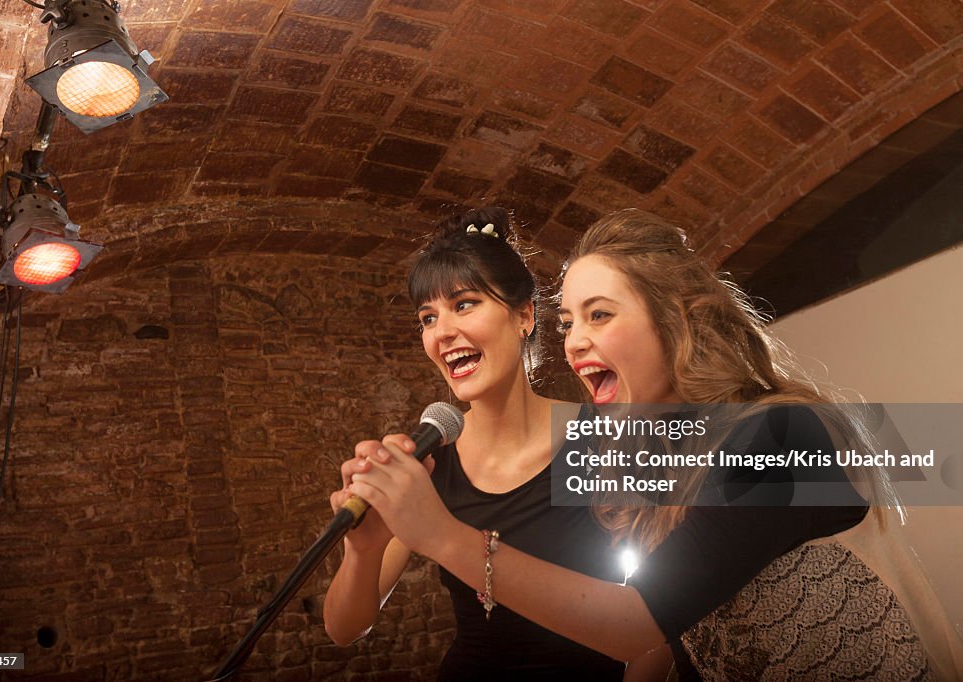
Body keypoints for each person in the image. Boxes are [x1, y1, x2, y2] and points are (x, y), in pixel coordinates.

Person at [346, 209, 963, 680]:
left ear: (673, 318)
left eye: (601, 315)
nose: (575, 343)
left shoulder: (786, 434)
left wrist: (441, 535)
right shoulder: (649, 456)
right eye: (570, 322)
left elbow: (638, 621)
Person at [322, 207, 626, 680]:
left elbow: (658, 627)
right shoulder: (430, 464)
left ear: (523, 314)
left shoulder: (607, 435)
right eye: (427, 317)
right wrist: (362, 551)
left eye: (463, 304)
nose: (441, 332)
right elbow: (344, 629)